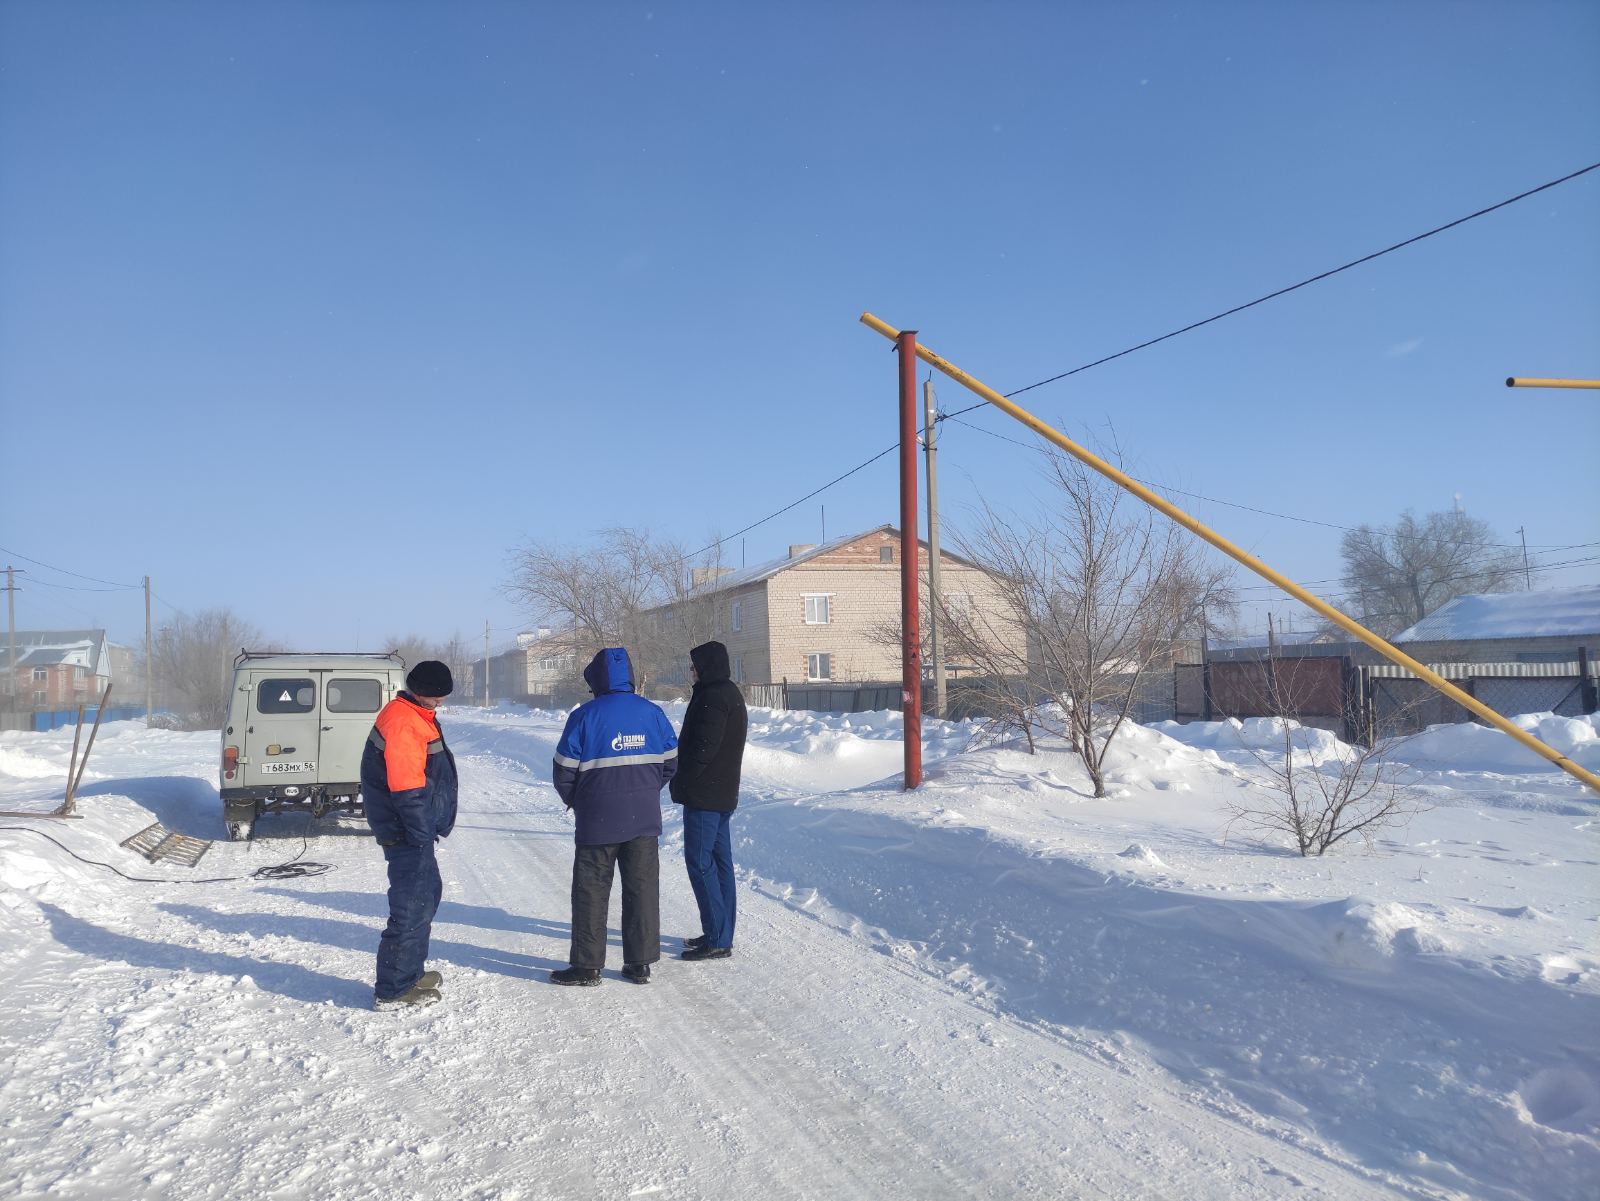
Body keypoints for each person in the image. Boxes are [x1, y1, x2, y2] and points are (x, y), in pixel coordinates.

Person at [550, 647, 678, 986]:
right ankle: (640, 964)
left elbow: (563, 771)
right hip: (644, 821)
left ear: (596, 678)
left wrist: (580, 800)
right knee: (642, 891)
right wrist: (647, 791)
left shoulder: (584, 717)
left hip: (597, 823)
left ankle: (587, 968)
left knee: (591, 893)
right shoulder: (653, 714)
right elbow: (670, 763)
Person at [361, 660, 459, 1010]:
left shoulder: (412, 714)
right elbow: (406, 789)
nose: (441, 702)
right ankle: (393, 990)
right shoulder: (404, 722)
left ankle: (409, 972)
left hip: (413, 830)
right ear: (422, 691)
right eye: (437, 697)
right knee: (411, 907)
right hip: (406, 832)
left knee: (425, 898)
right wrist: (420, 835)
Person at [670, 640, 747, 961]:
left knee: (700, 863)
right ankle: (720, 932)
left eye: (694, 666)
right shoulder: (727, 691)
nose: (692, 671)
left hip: (705, 795)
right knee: (719, 863)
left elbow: (704, 747)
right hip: (722, 793)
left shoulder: (712, 697)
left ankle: (717, 937)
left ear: (706, 666)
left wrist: (681, 777)